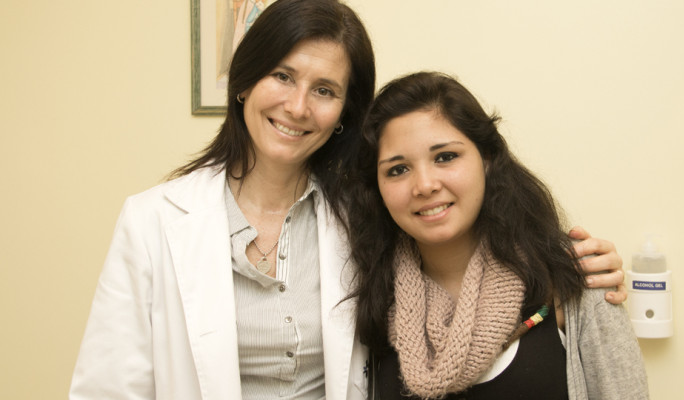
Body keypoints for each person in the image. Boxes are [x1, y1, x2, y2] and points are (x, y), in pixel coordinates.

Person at [70, 1, 627, 399]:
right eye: (281, 76)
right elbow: (106, 389)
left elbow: (460, 259)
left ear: (343, 114)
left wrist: (580, 268)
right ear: (244, 82)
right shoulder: (153, 220)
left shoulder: (363, 218)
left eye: (325, 91)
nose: (297, 107)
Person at [346, 72, 648, 399]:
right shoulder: (368, 292)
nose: (425, 185)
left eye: (445, 157)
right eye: (398, 169)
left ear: (487, 159)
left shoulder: (574, 277)